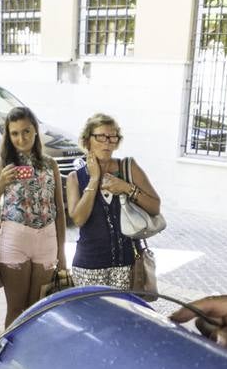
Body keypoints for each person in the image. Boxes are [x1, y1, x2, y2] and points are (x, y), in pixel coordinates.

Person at [0, 106, 67, 327]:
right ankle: (9, 358)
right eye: (15, 133)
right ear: (8, 136)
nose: (21, 138)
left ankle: (31, 357)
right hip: (14, 240)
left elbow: (59, 210)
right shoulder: (2, 164)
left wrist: (62, 252)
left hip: (47, 241)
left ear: (35, 130)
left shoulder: (50, 164)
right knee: (16, 309)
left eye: (26, 131)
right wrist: (1, 183)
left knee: (37, 308)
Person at [65, 113, 161, 289]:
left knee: (124, 315)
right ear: (87, 141)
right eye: (100, 136)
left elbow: (155, 207)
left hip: (127, 264)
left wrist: (126, 188)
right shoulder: (75, 178)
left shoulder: (128, 168)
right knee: (93, 317)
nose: (107, 142)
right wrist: (94, 180)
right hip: (88, 266)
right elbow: (78, 219)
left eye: (112, 137)